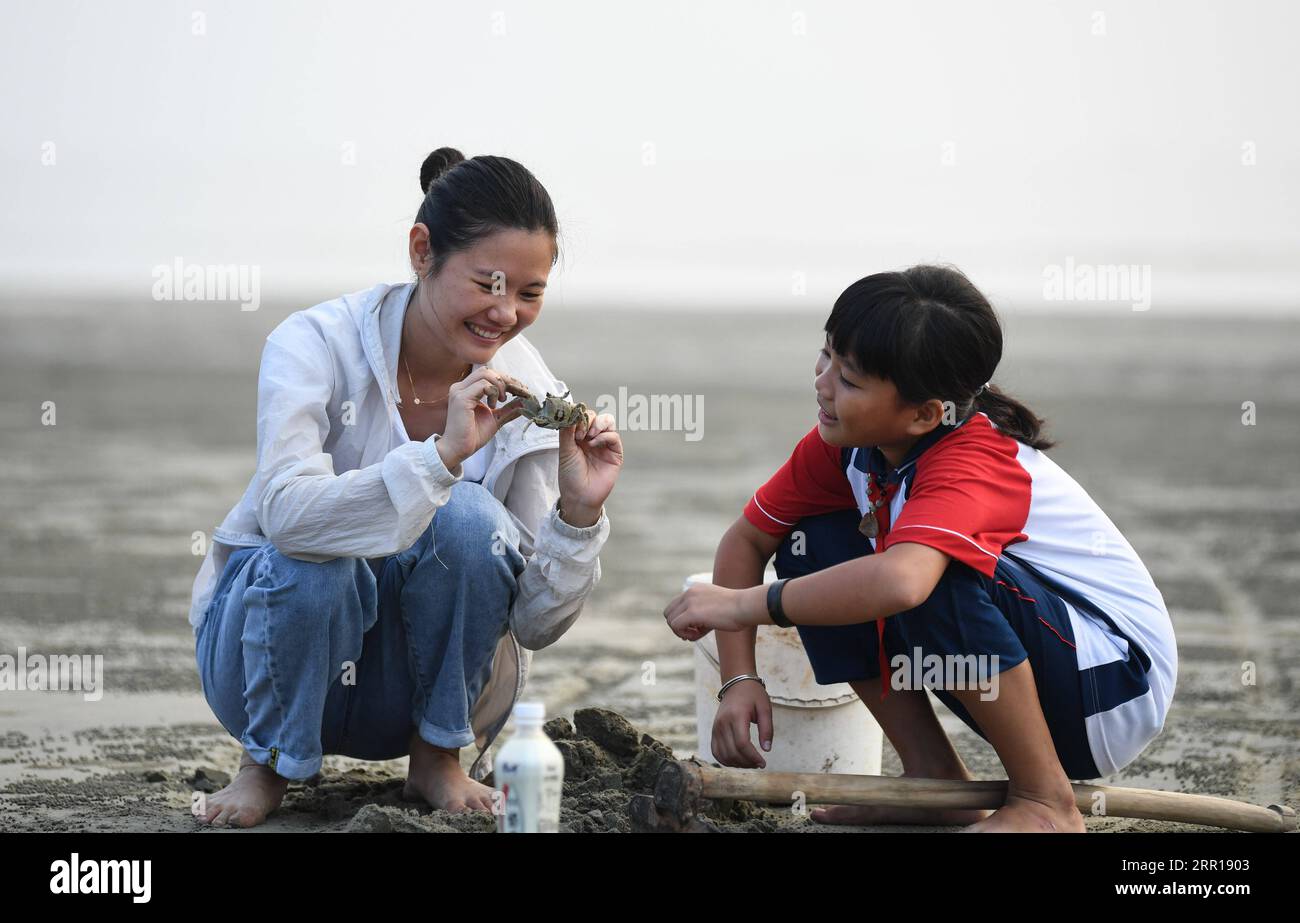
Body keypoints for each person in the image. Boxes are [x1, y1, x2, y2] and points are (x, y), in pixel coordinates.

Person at [188, 147, 624, 828]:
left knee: (471, 523)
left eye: (530, 292)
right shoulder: (315, 344)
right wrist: (441, 458)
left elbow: (535, 625)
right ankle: (267, 760)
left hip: (416, 690)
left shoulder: (537, 400)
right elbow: (286, 517)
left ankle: (438, 753)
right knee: (321, 555)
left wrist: (578, 513)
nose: (506, 313)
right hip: (266, 659)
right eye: (489, 283)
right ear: (422, 250)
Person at [662, 265, 1176, 832]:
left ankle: (1044, 801)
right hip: (1035, 672)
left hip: (1108, 687)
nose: (823, 382)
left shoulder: (974, 457)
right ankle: (933, 775)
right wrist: (739, 679)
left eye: (850, 379)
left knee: (927, 570)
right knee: (813, 543)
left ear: (927, 413)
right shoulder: (846, 446)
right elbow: (751, 537)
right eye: (826, 354)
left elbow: (903, 584)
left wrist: (739, 605)